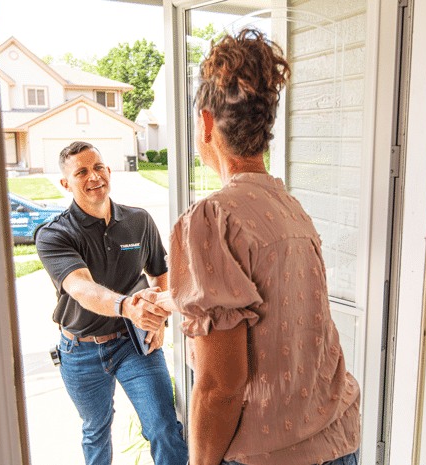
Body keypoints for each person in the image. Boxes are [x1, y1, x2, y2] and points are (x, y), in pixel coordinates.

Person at [162, 29, 361, 465]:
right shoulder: (287, 207)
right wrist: (171, 300)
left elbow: (220, 386)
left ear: (206, 122)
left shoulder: (211, 219)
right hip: (337, 440)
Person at [35, 141, 188, 465]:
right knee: (95, 430)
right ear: (66, 183)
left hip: (133, 344)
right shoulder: (54, 234)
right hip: (80, 350)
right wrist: (128, 306)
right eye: (82, 172)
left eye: (99, 167)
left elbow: (160, 274)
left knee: (163, 427)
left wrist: (157, 320)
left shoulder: (139, 220)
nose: (94, 176)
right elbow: (80, 286)